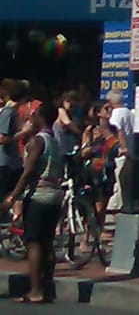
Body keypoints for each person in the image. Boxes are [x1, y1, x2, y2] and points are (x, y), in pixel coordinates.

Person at [0, 102, 64, 304]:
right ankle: (48, 288)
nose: (30, 119)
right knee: (47, 242)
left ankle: (36, 290)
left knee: (34, 242)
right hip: (54, 196)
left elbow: (28, 172)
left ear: (41, 118)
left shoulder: (38, 141)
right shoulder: (55, 141)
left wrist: (13, 197)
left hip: (38, 196)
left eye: (33, 116)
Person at [80, 102, 120, 225]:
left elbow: (119, 148)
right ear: (98, 113)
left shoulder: (115, 130)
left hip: (108, 170)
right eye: (106, 108)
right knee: (92, 206)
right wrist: (93, 144)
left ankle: (98, 236)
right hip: (93, 172)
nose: (109, 110)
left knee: (102, 207)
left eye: (111, 108)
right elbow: (83, 153)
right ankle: (86, 238)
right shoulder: (91, 130)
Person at [0, 79, 23, 206]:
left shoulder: (12, 111)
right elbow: (2, 138)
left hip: (13, 162)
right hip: (5, 163)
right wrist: (22, 133)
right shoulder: (8, 112)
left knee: (16, 195)